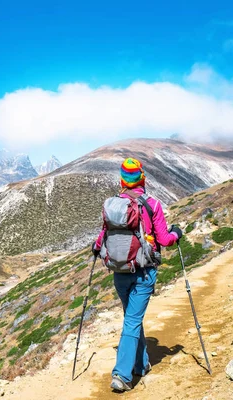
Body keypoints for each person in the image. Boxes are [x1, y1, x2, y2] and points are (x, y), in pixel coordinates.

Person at [92, 158, 183, 392]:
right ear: (142, 178)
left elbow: (103, 235)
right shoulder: (152, 204)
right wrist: (176, 234)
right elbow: (164, 239)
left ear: (122, 180)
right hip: (144, 272)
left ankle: (141, 366)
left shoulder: (113, 206)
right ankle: (122, 375)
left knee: (132, 318)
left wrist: (96, 247)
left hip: (119, 272)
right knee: (133, 320)